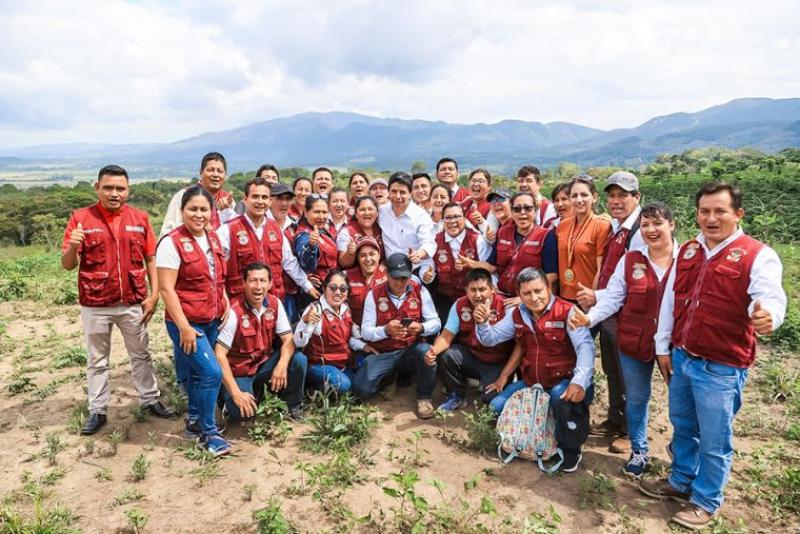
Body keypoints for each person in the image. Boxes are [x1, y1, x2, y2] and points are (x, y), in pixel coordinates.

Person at [638, 182, 786, 530]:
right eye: (705, 211)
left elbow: (768, 297)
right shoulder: (688, 250)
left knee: (715, 437)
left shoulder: (757, 254)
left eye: (720, 211)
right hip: (683, 357)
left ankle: (706, 500)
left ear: (738, 214)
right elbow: (672, 300)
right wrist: (664, 346)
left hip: (721, 366)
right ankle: (680, 480)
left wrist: (768, 315)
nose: (711, 218)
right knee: (683, 425)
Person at [61, 164, 173, 435]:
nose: (114, 193)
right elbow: (67, 265)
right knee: (97, 359)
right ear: (97, 187)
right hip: (95, 303)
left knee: (141, 354)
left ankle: (150, 399)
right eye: (108, 188)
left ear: (128, 190)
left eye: (120, 189)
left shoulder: (140, 218)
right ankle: (98, 409)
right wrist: (74, 246)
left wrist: (154, 294)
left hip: (133, 301)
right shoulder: (80, 218)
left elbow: (150, 257)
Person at [569, 202, 678, 478]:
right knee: (637, 397)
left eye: (658, 223)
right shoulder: (631, 260)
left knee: (681, 401)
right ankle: (640, 450)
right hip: (634, 339)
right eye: (645, 225)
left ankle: (682, 453)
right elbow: (615, 297)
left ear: (672, 225)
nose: (651, 230)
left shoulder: (688, 260)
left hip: (675, 344)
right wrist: (590, 318)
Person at [476, 267, 595, 473]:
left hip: (564, 381)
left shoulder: (568, 311)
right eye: (527, 293)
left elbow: (585, 347)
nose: (534, 297)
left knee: (561, 398)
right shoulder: (517, 314)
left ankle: (571, 448)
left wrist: (579, 381)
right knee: (495, 406)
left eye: (538, 291)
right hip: (533, 382)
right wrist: (482, 322)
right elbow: (490, 338)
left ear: (548, 288)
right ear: (519, 295)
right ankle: (528, 436)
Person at [157, 186, 230, 456]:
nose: (199, 215)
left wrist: (225, 302)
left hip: (211, 317)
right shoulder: (171, 242)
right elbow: (167, 289)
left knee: (200, 375)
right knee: (212, 373)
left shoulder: (212, 239)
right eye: (193, 209)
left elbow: (216, 277)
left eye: (204, 209)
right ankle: (209, 434)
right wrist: (185, 327)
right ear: (182, 211)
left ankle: (195, 421)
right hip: (186, 322)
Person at [579, 171, 645, 453]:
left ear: (636, 197)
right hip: (609, 314)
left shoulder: (640, 231)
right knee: (612, 370)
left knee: (630, 375)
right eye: (613, 195)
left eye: (623, 195)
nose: (616, 201)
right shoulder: (618, 228)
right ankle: (615, 420)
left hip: (627, 316)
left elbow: (633, 283)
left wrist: (597, 297)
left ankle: (631, 433)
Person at [214, 262, 307, 422]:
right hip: (240, 372)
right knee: (241, 412)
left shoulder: (274, 303)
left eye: (263, 281)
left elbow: (288, 339)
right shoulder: (234, 311)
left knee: (298, 360)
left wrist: (282, 365)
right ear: (244, 284)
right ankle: (226, 400)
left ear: (270, 283)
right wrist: (236, 394)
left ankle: (291, 405)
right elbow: (219, 355)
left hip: (263, 365)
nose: (258, 286)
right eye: (253, 281)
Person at [358, 253, 442, 418]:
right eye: (395, 278)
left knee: (426, 352)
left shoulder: (419, 290)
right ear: (387, 275)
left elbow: (436, 322)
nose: (400, 282)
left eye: (404, 278)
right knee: (362, 388)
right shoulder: (373, 294)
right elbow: (365, 331)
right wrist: (385, 330)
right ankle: (390, 377)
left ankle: (424, 397)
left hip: (410, 350)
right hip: (384, 353)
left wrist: (421, 327)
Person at [425, 269, 514, 412]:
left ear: (492, 289)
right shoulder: (459, 305)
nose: (477, 295)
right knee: (447, 355)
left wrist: (505, 374)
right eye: (473, 290)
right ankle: (456, 395)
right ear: (466, 290)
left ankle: (491, 387)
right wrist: (433, 352)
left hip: (497, 362)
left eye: (482, 289)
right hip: (472, 356)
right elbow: (446, 336)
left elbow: (520, 346)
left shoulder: (506, 306)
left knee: (489, 400)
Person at [218, 178, 318, 303]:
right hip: (240, 304)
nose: (260, 201)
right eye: (255, 196)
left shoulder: (275, 228)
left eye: (264, 197)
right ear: (245, 199)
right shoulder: (228, 230)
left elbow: (289, 262)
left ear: (270, 201)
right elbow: (216, 269)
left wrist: (307, 285)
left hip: (273, 302)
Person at [294, 270, 378, 395]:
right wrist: (305, 322)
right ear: (324, 288)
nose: (338, 292)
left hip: (342, 363)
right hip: (319, 365)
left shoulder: (345, 309)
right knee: (344, 385)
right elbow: (299, 343)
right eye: (332, 288)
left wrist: (364, 346)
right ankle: (313, 390)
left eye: (343, 289)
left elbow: (347, 338)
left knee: (366, 371)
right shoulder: (315, 309)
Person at [426, 202, 494, 324]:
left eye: (457, 217)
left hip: (474, 297)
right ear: (442, 220)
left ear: (464, 218)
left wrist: (471, 264)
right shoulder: (434, 240)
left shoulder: (477, 239)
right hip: (446, 298)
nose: (452, 221)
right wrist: (426, 275)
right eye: (448, 218)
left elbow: (489, 270)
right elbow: (427, 267)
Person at [556, 176, 612, 301]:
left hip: (587, 299)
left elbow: (601, 268)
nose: (579, 200)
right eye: (574, 196)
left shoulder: (602, 226)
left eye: (584, 195)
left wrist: (592, 296)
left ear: (594, 197)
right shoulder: (562, 225)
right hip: (563, 297)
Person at [494, 192, 558, 299]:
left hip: (530, 300)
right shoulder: (503, 232)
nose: (522, 213)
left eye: (528, 208)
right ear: (512, 211)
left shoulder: (546, 236)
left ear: (535, 210)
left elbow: (552, 276)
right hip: (501, 295)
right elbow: (491, 265)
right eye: (517, 209)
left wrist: (525, 298)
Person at [161, 152, 235, 237]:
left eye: (220, 171)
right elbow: (168, 232)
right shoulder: (183, 196)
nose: (215, 175)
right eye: (211, 170)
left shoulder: (228, 201)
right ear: (201, 172)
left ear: (225, 175)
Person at [378, 172, 436, 275]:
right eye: (394, 191)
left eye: (402, 192)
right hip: (391, 269)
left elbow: (429, 242)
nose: (398, 196)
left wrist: (419, 254)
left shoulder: (421, 216)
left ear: (410, 193)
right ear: (388, 192)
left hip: (416, 268)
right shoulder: (381, 212)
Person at [293, 195, 338, 306]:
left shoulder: (324, 230)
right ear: (306, 212)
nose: (321, 216)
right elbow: (306, 264)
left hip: (330, 287)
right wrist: (311, 246)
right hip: (315, 292)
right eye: (317, 212)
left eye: (324, 212)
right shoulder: (304, 235)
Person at [345, 237, 388, 324]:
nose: (368, 259)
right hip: (356, 333)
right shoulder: (346, 277)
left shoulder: (389, 275)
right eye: (363, 255)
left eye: (372, 254)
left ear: (379, 255)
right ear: (357, 258)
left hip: (384, 331)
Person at [337, 195, 383, 268]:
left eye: (370, 209)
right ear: (356, 214)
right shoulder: (346, 232)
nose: (366, 213)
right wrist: (349, 253)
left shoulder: (383, 228)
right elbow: (343, 264)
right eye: (362, 209)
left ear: (377, 213)